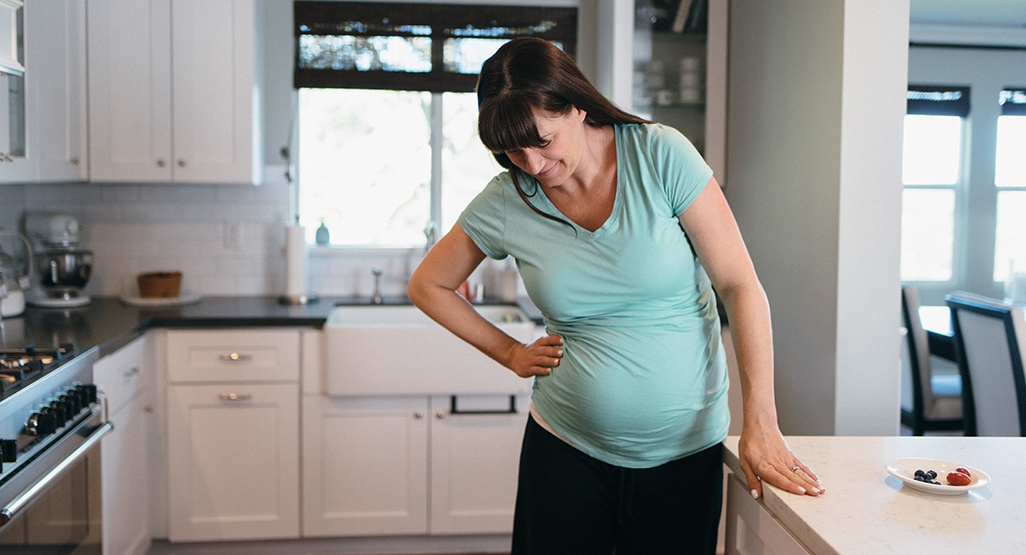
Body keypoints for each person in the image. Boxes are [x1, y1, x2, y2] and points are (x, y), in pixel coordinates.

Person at [407, 36, 823, 554]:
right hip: (564, 453)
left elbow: (740, 285)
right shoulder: (509, 198)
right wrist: (509, 352)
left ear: (576, 105)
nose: (532, 165)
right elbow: (428, 284)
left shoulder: (659, 155)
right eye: (513, 151)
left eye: (543, 140)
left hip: (684, 458)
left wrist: (761, 420)